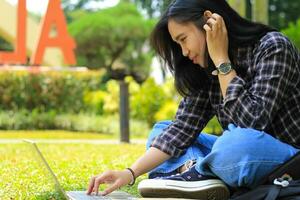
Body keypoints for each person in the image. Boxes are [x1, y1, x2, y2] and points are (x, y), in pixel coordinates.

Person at [86, 0, 300, 199]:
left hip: (286, 159)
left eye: (183, 39)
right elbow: (181, 129)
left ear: (208, 21)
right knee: (161, 131)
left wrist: (222, 62)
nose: (184, 52)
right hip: (237, 154)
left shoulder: (273, 47)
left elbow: (252, 123)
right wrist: (129, 173)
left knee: (234, 144)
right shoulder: (204, 68)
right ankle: (201, 174)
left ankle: (198, 173)